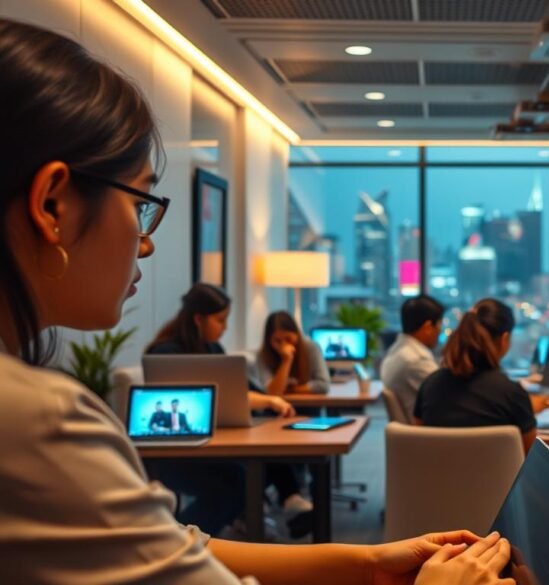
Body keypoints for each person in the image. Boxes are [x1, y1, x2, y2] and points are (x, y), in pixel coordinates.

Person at [0, 18, 510, 584]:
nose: (146, 241)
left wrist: (369, 561)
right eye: (141, 203)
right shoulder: (34, 422)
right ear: (52, 206)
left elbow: (178, 547)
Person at [147, 284, 315, 538]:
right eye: (220, 320)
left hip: (210, 442)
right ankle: (176, 540)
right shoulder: (167, 353)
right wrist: (270, 401)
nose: (224, 327)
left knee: (264, 459)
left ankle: (281, 507)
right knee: (239, 480)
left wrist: (269, 401)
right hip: (176, 452)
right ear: (198, 319)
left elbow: (237, 392)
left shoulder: (212, 349)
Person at [414, 299, 549, 454]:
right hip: (499, 479)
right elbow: (531, 460)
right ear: (505, 339)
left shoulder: (429, 386)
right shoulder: (511, 393)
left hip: (436, 478)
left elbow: (418, 446)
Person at [381, 295, 444, 418]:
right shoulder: (416, 361)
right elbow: (449, 396)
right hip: (427, 433)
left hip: (415, 431)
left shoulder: (397, 351)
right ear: (428, 327)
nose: (439, 332)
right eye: (439, 326)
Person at [254, 311, 330, 396]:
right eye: (277, 341)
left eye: (288, 339)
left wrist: (290, 389)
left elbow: (323, 385)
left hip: (309, 407)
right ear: (269, 341)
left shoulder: (311, 348)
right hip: (274, 408)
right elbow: (272, 392)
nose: (284, 346)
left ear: (297, 334)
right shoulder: (262, 355)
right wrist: (286, 360)